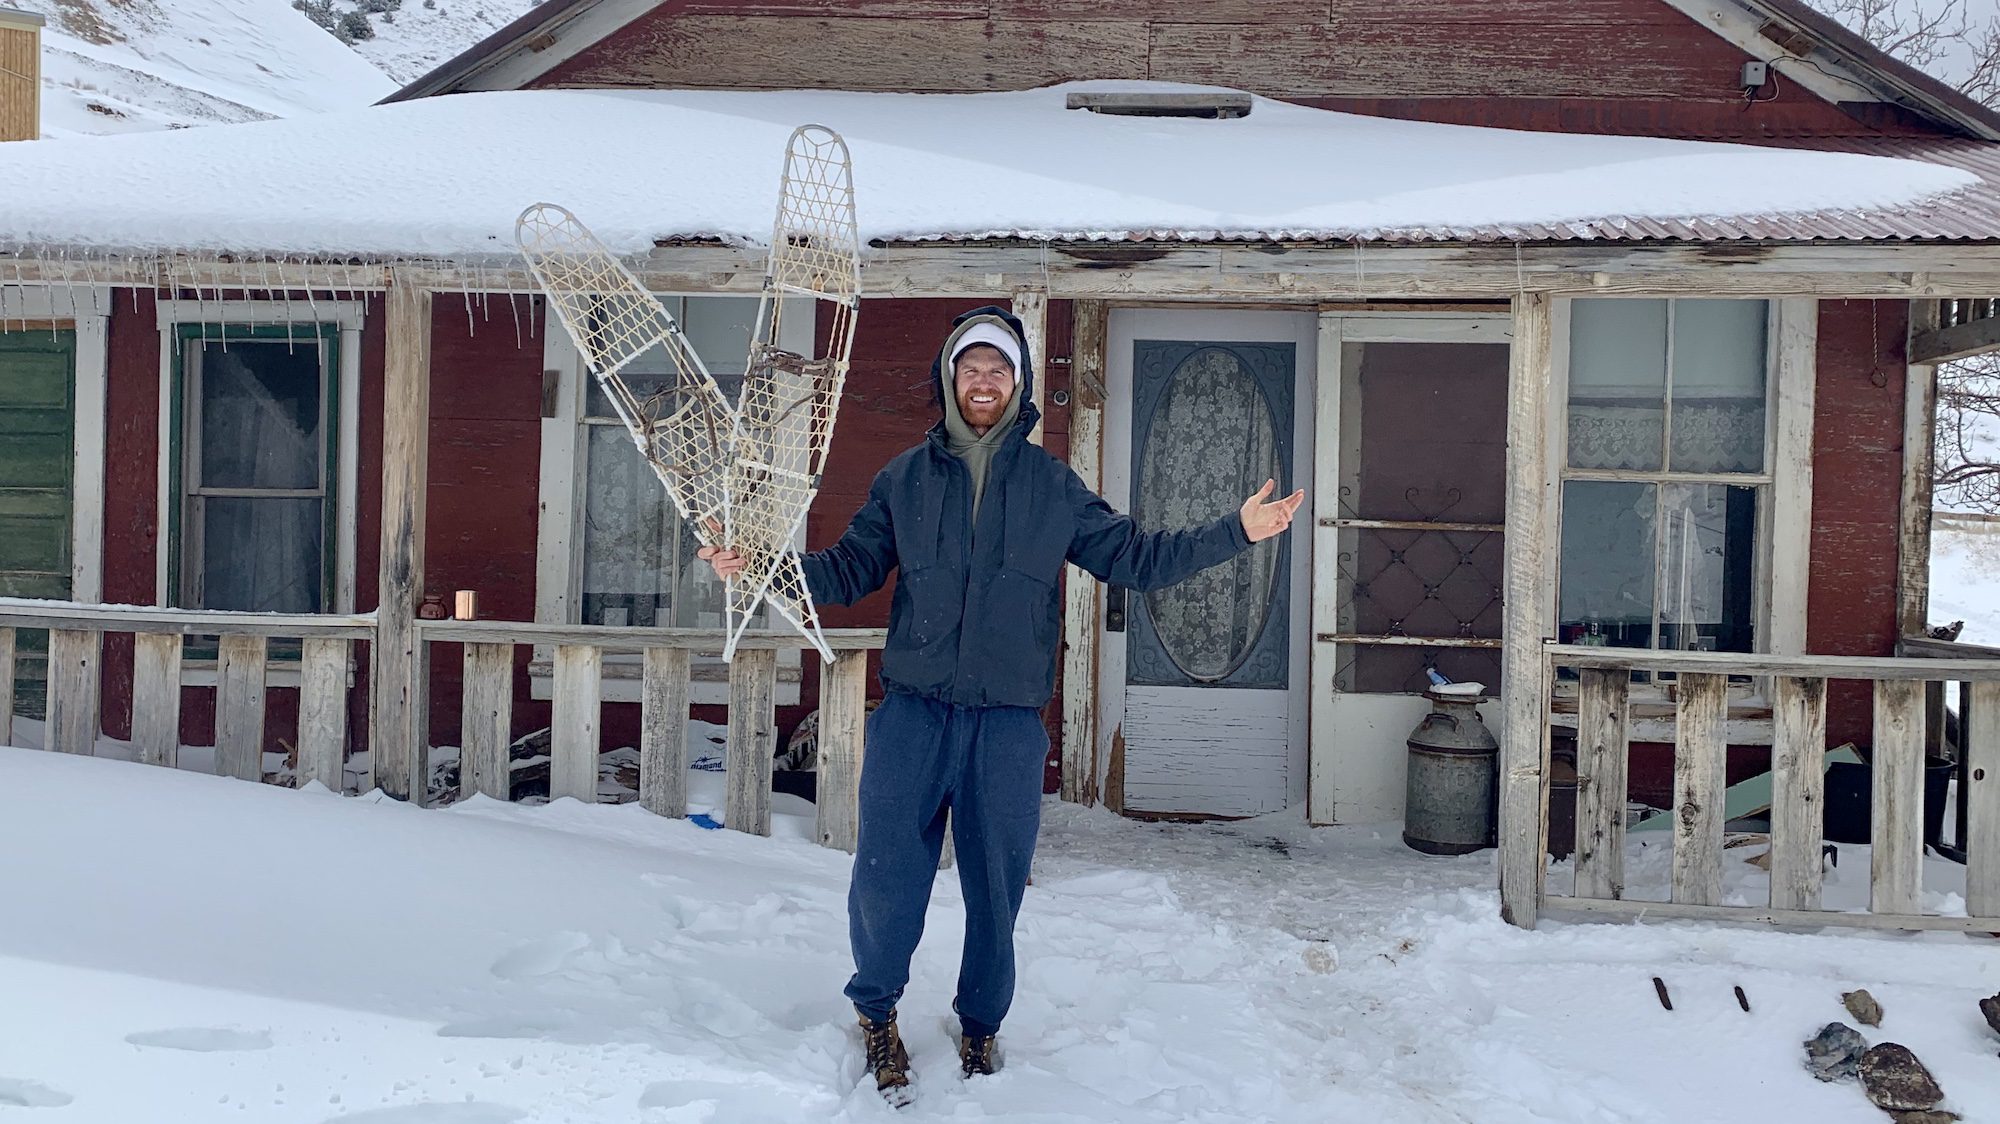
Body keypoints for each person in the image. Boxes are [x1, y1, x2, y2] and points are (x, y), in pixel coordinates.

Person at [699, 306, 1303, 1098]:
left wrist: (1237, 532)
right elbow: (846, 573)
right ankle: (875, 1012)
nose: (983, 382)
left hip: (1009, 724)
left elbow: (1137, 559)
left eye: (999, 370)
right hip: (914, 714)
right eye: (970, 368)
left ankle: (981, 1028)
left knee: (997, 886)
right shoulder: (903, 479)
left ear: (1018, 386)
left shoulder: (1053, 487)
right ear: (949, 379)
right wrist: (765, 569)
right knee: (885, 879)